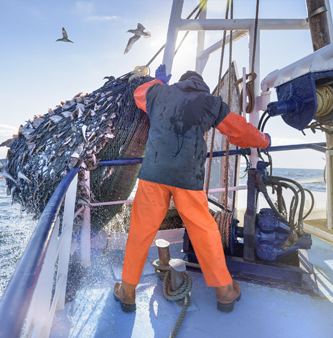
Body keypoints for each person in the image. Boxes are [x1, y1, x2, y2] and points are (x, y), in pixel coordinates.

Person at [113, 64, 271, 313]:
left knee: (141, 232)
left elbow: (138, 93)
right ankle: (225, 291)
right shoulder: (210, 102)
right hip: (188, 178)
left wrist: (159, 82)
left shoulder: (158, 93)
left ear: (180, 83)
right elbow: (239, 131)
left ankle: (128, 292)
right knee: (204, 231)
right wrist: (264, 140)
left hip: (153, 174)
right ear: (202, 86)